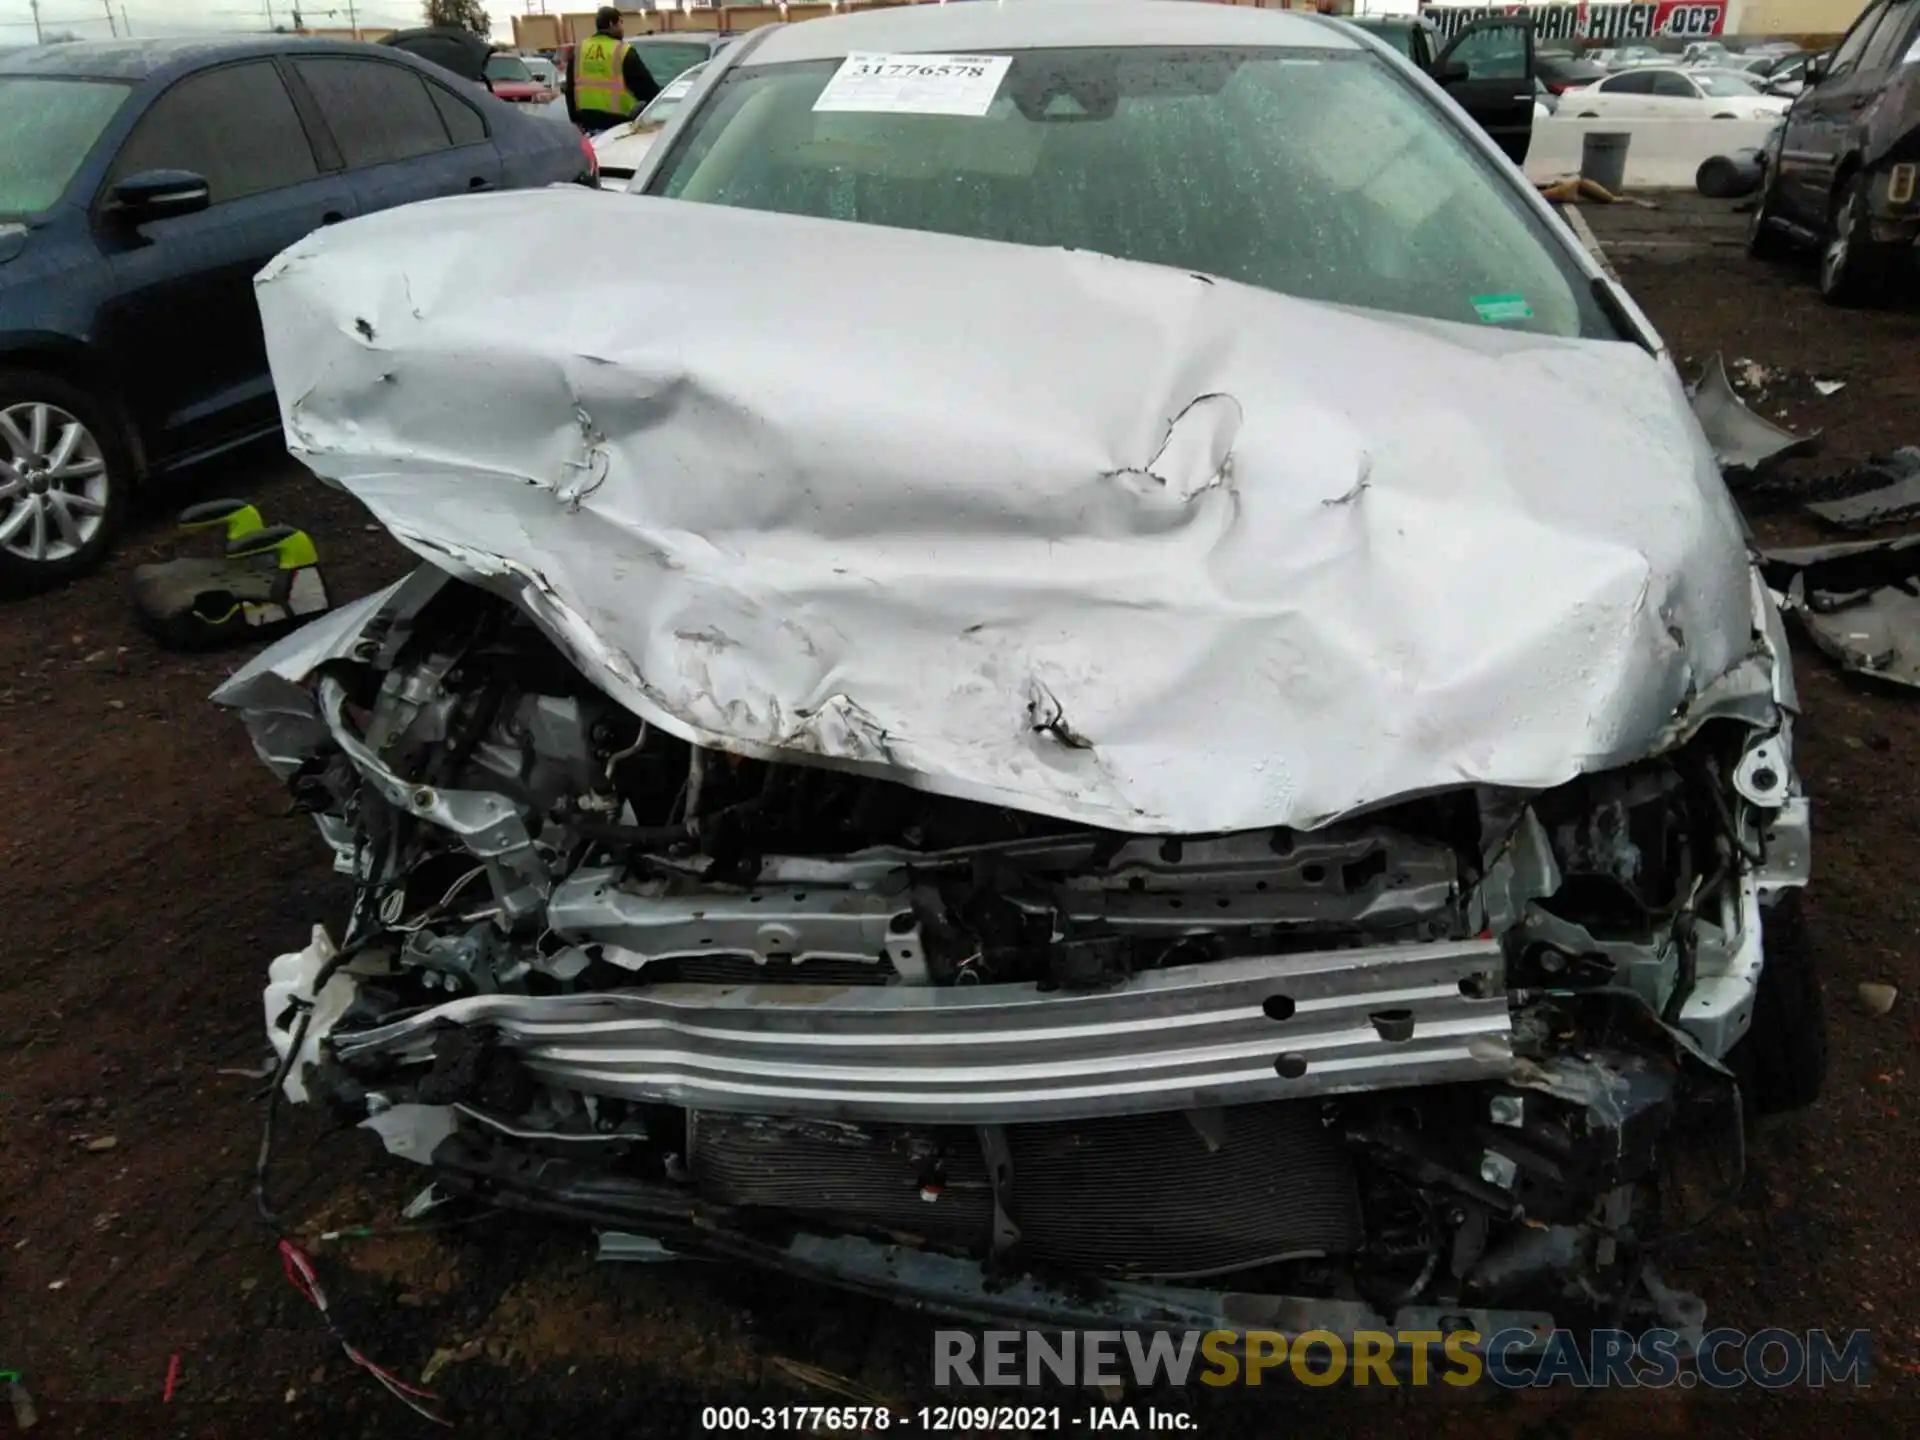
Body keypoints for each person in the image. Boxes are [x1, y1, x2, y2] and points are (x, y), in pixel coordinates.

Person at [568, 7, 660, 134]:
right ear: (612, 23)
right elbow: (648, 89)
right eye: (620, 23)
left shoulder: (579, 50)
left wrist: (574, 118)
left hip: (587, 125)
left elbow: (570, 87)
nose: (622, 27)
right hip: (618, 126)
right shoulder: (623, 51)